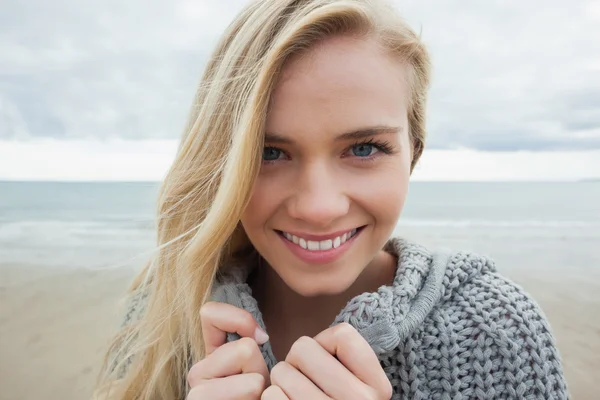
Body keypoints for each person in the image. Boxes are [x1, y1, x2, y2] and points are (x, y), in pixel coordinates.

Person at [94, 0, 569, 399]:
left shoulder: (499, 332)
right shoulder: (159, 316)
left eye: (364, 148)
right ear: (222, 161)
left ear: (413, 153)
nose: (319, 207)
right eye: (269, 152)